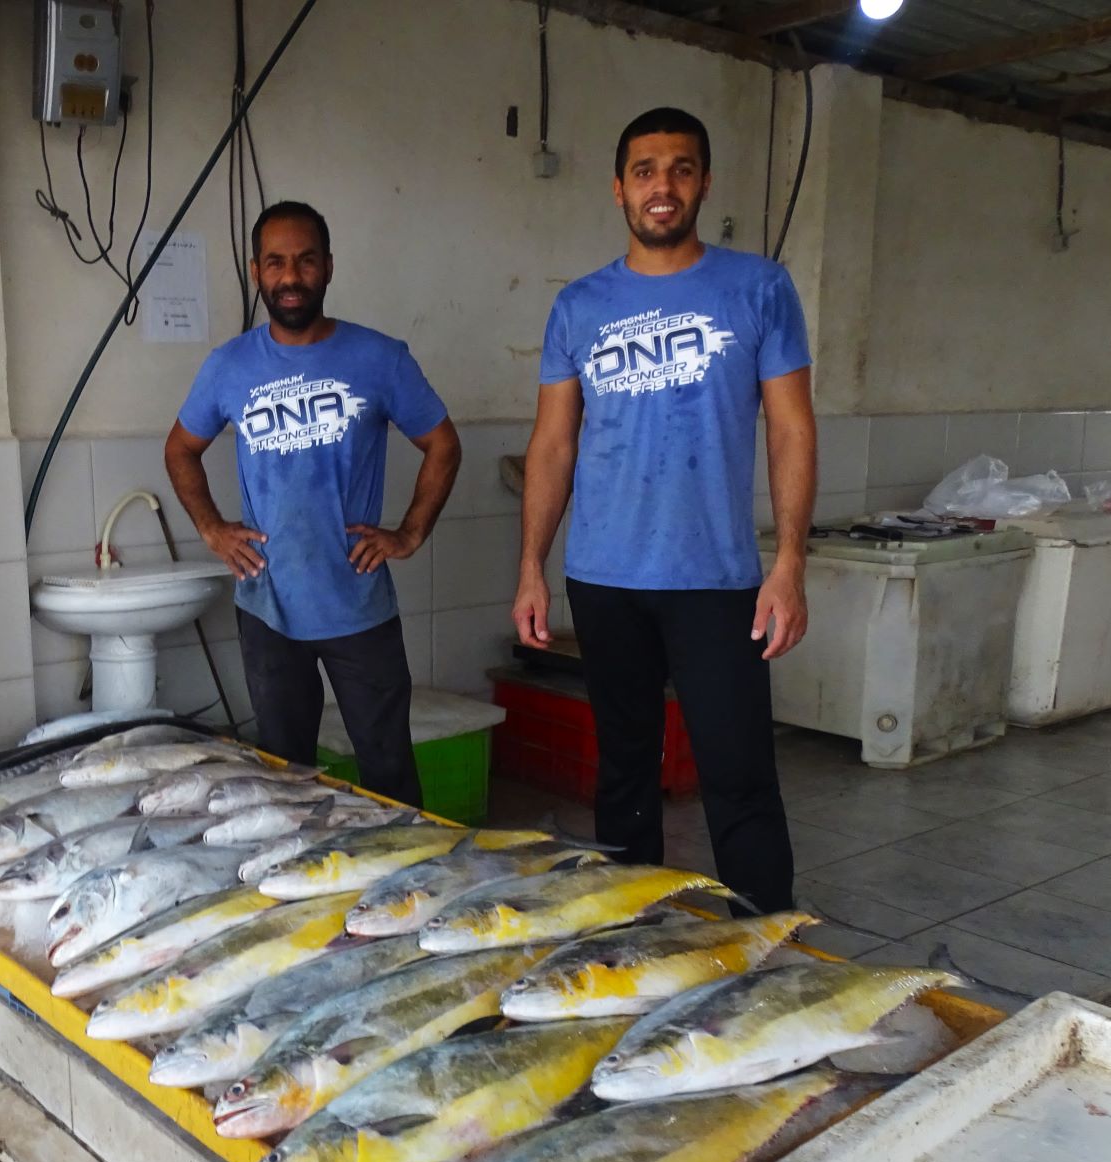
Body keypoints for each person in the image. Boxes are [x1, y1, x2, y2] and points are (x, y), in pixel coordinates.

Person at [512, 108, 816, 914]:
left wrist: (789, 563)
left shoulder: (759, 288)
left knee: (739, 773)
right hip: (605, 577)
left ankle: (764, 946)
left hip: (717, 579)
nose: (663, 185)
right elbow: (552, 447)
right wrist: (530, 569)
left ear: (704, 183)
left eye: (681, 168)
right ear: (619, 189)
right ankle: (632, 932)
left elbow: (791, 427)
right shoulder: (578, 306)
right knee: (625, 773)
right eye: (645, 170)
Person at [165, 201, 461, 806]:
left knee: (388, 772)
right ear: (256, 272)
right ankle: (301, 886)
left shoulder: (381, 358)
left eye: (305, 261)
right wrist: (214, 529)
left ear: (328, 267)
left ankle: (402, 889)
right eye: (276, 262)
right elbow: (180, 451)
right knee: (282, 775)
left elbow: (443, 445)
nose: (291, 277)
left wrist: (408, 533)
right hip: (269, 606)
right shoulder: (229, 366)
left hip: (358, 602)